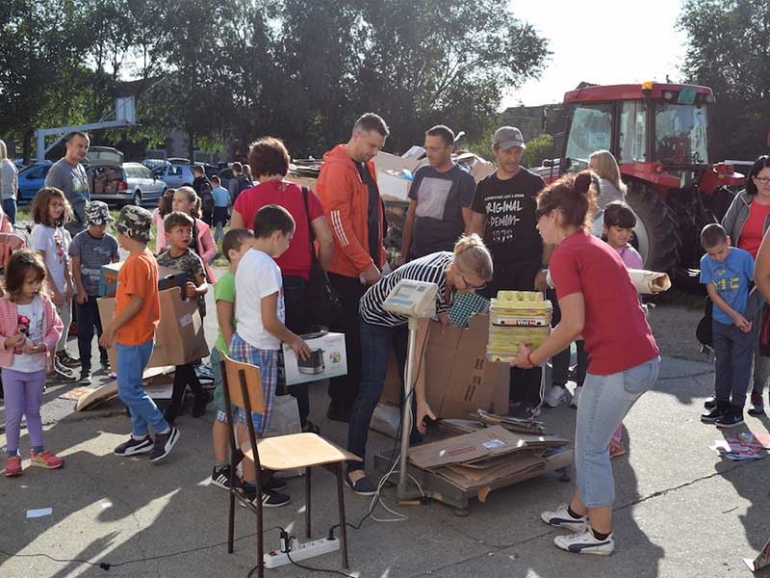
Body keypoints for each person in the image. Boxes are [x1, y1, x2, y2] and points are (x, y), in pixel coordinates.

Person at [511, 171, 659, 556]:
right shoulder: (590, 245)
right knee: (589, 440)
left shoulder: (566, 254)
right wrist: (545, 344)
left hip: (617, 364)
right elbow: (585, 323)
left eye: (539, 214)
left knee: (591, 448)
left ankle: (599, 536)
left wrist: (533, 358)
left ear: (557, 214)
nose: (535, 222)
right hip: (641, 360)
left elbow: (573, 323)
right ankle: (578, 511)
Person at [346, 235, 494, 495]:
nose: (471, 292)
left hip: (406, 314)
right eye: (469, 286)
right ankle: (353, 464)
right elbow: (418, 356)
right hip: (376, 316)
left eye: (477, 288)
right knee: (373, 386)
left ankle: (414, 450)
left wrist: (443, 314)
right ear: (455, 271)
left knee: (411, 386)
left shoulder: (457, 263)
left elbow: (441, 304)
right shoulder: (430, 283)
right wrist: (423, 401)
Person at [230, 136, 333, 432]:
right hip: (298, 284)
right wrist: (318, 272)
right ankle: (298, 422)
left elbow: (233, 246)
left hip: (257, 283)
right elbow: (325, 240)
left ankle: (262, 422)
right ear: (285, 164)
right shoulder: (305, 194)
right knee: (295, 353)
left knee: (260, 351)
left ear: (254, 167)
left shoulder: (245, 199)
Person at [230, 204, 310, 507]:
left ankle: (250, 472)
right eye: (289, 239)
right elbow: (270, 320)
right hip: (259, 349)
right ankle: (250, 485)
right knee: (256, 421)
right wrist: (294, 340)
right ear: (278, 235)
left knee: (246, 416)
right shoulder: (268, 267)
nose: (288, 245)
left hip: (243, 342)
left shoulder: (248, 258)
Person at [469, 126, 548, 419]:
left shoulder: (534, 182)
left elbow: (548, 228)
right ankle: (505, 394)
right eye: (508, 151)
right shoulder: (485, 186)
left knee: (529, 332)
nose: (513, 157)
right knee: (501, 334)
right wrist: (474, 264)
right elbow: (475, 228)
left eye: (518, 151)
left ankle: (529, 398)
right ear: (495, 151)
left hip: (528, 267)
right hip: (496, 270)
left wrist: (545, 268)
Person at [316, 112, 389, 422]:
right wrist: (366, 264)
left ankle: (353, 397)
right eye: (371, 145)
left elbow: (372, 218)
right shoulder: (338, 168)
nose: (374, 152)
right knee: (345, 338)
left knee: (358, 337)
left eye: (378, 147)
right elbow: (338, 225)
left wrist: (380, 258)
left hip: (364, 267)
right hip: (344, 271)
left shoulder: (363, 166)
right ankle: (341, 403)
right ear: (357, 134)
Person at [99, 205, 180, 462]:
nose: (118, 237)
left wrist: (110, 329)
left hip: (133, 336)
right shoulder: (146, 257)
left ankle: (163, 429)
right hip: (138, 334)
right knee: (132, 386)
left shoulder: (136, 262)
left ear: (127, 233)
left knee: (127, 390)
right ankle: (139, 437)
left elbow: (135, 302)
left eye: (120, 232)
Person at [1, 250, 65, 477]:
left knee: (34, 411)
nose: (36, 286)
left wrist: (43, 346)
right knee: (13, 413)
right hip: (12, 369)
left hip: (36, 367)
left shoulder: (44, 302)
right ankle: (12, 455)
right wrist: (7, 341)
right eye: (30, 282)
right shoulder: (4, 305)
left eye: (39, 281)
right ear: (16, 281)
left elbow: (56, 328)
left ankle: (38, 451)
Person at [722, 155, 770, 416]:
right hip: (737, 275)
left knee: (762, 338)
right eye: (763, 179)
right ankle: (727, 391)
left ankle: (757, 392)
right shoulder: (741, 200)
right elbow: (724, 229)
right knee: (735, 334)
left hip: (766, 278)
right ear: (753, 179)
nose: (768, 183)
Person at [155, 211, 211, 423]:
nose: (186, 235)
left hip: (192, 314)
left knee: (183, 359)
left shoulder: (192, 258)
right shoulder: (161, 258)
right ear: (168, 234)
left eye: (189, 231)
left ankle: (175, 405)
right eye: (180, 231)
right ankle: (199, 394)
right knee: (181, 358)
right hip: (171, 315)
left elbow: (204, 284)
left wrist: (196, 291)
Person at [210, 228, 254, 489]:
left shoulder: (247, 280)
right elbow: (225, 325)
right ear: (232, 254)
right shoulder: (227, 282)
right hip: (228, 356)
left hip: (239, 355)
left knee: (239, 412)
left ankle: (240, 463)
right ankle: (220, 466)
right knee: (225, 412)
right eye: (250, 250)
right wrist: (235, 356)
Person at [699, 223, 755, 428]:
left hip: (743, 324)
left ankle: (737, 408)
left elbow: (758, 286)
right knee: (721, 363)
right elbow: (712, 293)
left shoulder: (743, 258)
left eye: (721, 252)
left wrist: (746, 316)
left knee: (741, 365)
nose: (718, 258)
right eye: (712, 254)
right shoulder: (706, 262)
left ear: (728, 241)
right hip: (720, 321)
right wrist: (733, 315)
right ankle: (721, 404)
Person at [400, 125, 476, 260]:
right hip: (416, 255)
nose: (428, 153)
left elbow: (469, 226)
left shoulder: (464, 180)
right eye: (426, 148)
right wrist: (404, 254)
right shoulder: (421, 173)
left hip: (444, 260)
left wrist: (461, 262)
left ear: (449, 149)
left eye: (434, 149)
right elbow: (411, 216)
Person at [69, 201, 119, 384]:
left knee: (105, 330)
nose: (99, 227)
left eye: (103, 223)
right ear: (88, 221)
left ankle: (106, 361)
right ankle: (85, 368)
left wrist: (112, 294)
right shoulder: (79, 240)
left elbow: (115, 268)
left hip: (104, 295)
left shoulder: (111, 241)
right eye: (96, 223)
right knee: (84, 332)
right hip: (85, 294)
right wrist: (80, 290)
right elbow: (74, 267)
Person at [30, 187, 78, 378]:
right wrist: (55, 291)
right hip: (49, 288)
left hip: (63, 286)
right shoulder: (40, 231)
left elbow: (64, 260)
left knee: (65, 321)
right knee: (51, 326)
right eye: (53, 204)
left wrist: (68, 283)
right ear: (44, 206)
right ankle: (49, 365)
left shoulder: (59, 230)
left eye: (60, 204)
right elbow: (41, 262)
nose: (58, 208)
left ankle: (58, 355)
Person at [159, 186, 216, 281]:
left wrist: (201, 259)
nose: (175, 204)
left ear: (192, 205)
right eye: (174, 200)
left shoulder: (201, 226)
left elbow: (212, 248)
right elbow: (161, 243)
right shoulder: (166, 222)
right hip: (170, 269)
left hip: (193, 272)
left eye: (180, 201)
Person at [44, 131, 90, 236]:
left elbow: (85, 197)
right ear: (68, 146)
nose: (83, 150)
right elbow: (48, 203)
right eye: (80, 146)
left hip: (82, 230)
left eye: (86, 147)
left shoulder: (81, 168)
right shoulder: (58, 170)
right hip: (66, 233)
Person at [588, 150, 626, 230]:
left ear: (603, 168)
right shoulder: (616, 187)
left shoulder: (602, 186)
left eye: (592, 167)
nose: (588, 170)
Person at [0, 139, 18, 224]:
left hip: (2, 201)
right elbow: (16, 187)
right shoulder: (12, 165)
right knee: (11, 231)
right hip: (11, 200)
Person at [210, 175, 230, 243]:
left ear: (213, 183)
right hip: (224, 210)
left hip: (217, 210)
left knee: (219, 228)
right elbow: (229, 201)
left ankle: (226, 244)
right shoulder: (225, 190)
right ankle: (214, 243)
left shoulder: (214, 191)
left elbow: (213, 201)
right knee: (218, 229)